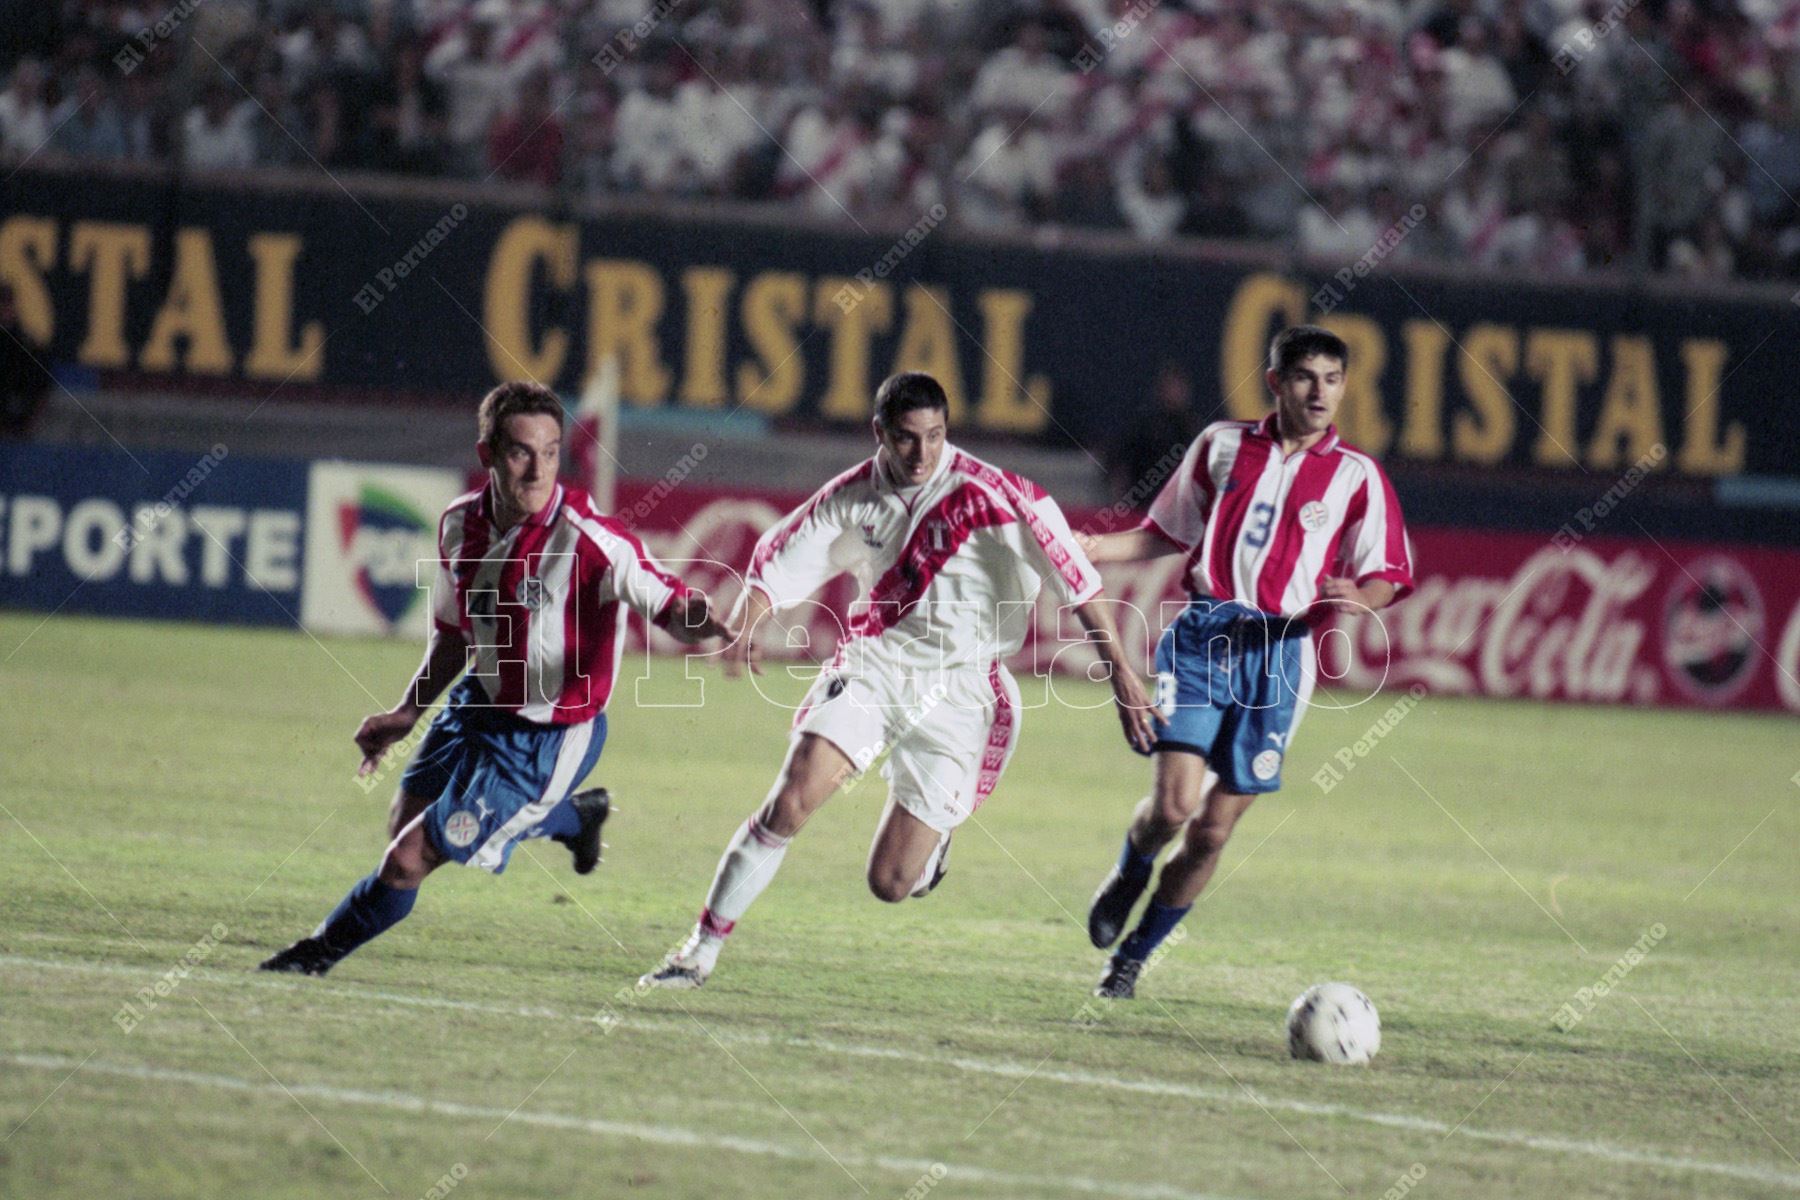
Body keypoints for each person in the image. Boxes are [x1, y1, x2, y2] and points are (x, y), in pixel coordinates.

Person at [639, 371, 1158, 989]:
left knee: (890, 884)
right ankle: (698, 952)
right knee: (792, 798)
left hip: (965, 690)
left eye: (935, 437)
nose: (922, 453)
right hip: (876, 664)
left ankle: (931, 851)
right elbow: (778, 561)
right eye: (908, 438)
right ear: (880, 432)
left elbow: (1080, 585)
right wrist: (749, 621)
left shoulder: (999, 496)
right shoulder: (852, 494)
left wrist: (1123, 676)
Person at [260, 381, 730, 975]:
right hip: (475, 704)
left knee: (408, 860)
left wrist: (701, 621)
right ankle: (574, 817)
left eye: (552, 452)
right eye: (520, 452)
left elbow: (670, 603)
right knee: (402, 824)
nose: (538, 471)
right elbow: (455, 634)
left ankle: (311, 958)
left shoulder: (590, 542)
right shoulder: (460, 525)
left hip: (545, 736)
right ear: (487, 455)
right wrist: (408, 710)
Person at [1082, 326, 1414, 999]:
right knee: (1173, 806)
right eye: (1304, 377)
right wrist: (1096, 548)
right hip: (1206, 637)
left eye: (1332, 378)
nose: (1319, 392)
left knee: (1211, 833)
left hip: (1282, 659)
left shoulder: (1358, 477)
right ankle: (1131, 867)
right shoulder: (1223, 445)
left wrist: (1359, 596)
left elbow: (1390, 572)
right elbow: (1162, 532)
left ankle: (1134, 958)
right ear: (1275, 382)